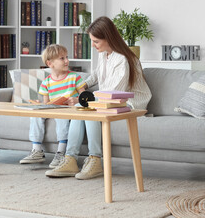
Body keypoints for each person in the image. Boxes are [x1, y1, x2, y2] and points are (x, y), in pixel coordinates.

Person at [45, 16, 152, 179]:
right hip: (108, 99)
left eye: (96, 41)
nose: (93, 46)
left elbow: (115, 92)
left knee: (88, 108)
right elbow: (95, 75)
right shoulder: (105, 54)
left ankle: (95, 160)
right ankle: (71, 159)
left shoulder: (124, 59)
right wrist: (81, 87)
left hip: (129, 101)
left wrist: (86, 98)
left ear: (108, 38)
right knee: (81, 110)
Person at [20, 44, 85, 168]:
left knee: (61, 117)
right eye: (62, 58)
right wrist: (40, 105)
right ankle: (37, 150)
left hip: (68, 110)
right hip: (53, 108)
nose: (67, 61)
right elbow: (46, 103)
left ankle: (61, 152)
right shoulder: (46, 83)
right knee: (36, 114)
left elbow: (85, 98)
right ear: (50, 64)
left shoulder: (74, 77)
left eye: (67, 57)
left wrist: (76, 100)